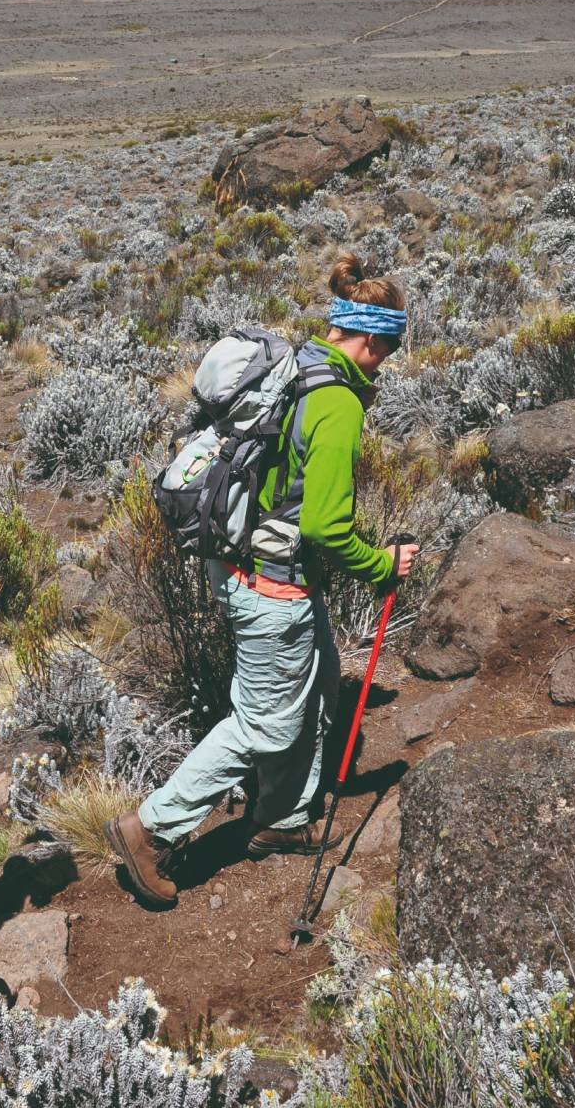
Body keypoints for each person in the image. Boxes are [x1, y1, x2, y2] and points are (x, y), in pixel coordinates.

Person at [107, 253, 418, 908]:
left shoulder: (301, 364)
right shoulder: (335, 402)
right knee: (259, 727)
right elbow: (328, 529)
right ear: (367, 339)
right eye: (388, 348)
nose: (388, 361)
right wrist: (383, 566)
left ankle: (283, 817)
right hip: (274, 584)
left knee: (318, 684)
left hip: (248, 565)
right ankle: (150, 829)